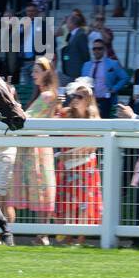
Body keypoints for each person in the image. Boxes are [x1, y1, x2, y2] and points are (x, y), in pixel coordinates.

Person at [9, 56, 59, 244]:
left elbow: (28, 116)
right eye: (33, 71)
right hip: (32, 146)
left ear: (46, 73)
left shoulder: (47, 95)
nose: (33, 75)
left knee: (42, 187)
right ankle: (41, 234)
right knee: (39, 187)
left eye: (37, 71)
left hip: (38, 147)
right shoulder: (42, 94)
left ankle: (42, 234)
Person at [54, 78, 102, 246]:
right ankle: (67, 238)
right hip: (68, 168)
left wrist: (69, 155)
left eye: (79, 96)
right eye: (73, 95)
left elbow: (94, 144)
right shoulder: (66, 113)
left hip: (85, 167)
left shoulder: (94, 117)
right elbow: (52, 119)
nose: (75, 98)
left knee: (85, 203)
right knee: (68, 202)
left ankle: (81, 239)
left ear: (88, 99)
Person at [80, 38, 129, 120]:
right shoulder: (86, 65)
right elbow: (82, 81)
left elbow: (125, 77)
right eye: (94, 49)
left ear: (104, 49)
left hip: (105, 100)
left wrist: (114, 89)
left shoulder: (113, 63)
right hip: (89, 100)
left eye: (99, 48)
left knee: (103, 122)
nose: (97, 51)